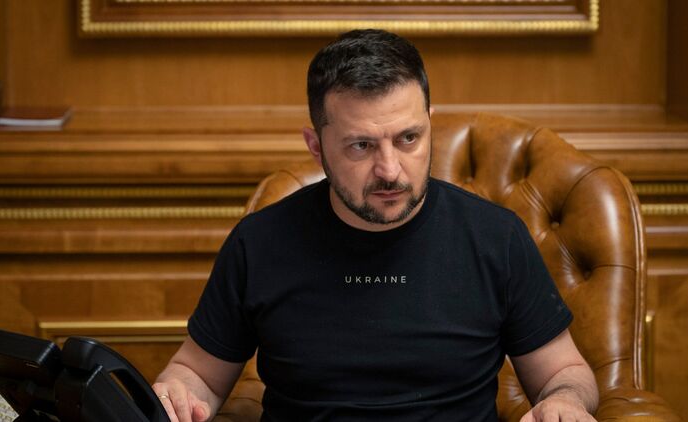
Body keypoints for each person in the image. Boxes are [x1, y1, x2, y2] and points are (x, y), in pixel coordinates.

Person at [152, 29, 599, 422]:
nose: (390, 170)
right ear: (316, 145)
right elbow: (197, 375)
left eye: (408, 138)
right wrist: (178, 394)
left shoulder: (496, 238)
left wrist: (566, 400)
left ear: (429, 125)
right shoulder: (258, 243)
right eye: (361, 146)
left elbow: (564, 372)